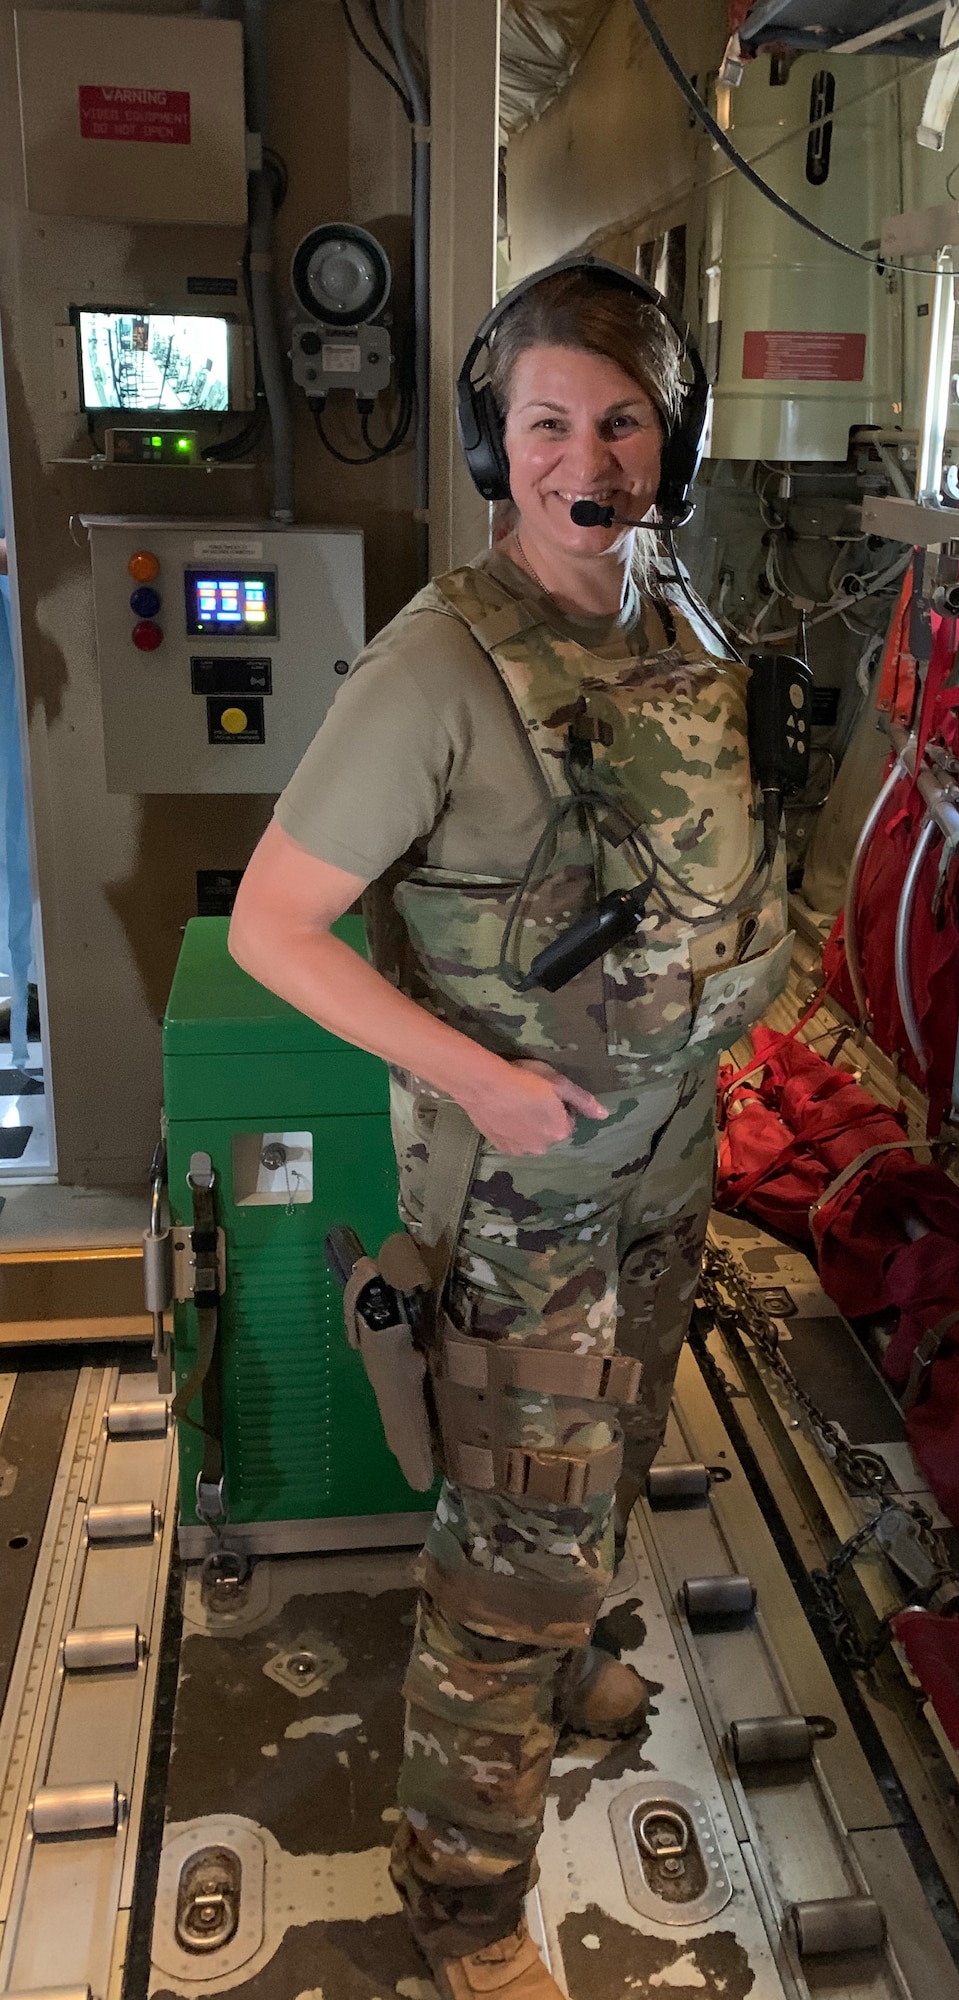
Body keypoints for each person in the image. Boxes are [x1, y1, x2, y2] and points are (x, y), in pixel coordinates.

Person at [229, 257, 791, 1998]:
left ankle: (563, 1679)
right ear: (496, 438)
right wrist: (468, 1076)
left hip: (661, 1159)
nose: (587, 456)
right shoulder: (435, 665)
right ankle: (465, 1908)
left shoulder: (668, 608)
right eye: (547, 420)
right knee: (511, 1551)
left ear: (667, 442)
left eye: (621, 419)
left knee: (606, 1468)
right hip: (526, 1195)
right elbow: (272, 927)